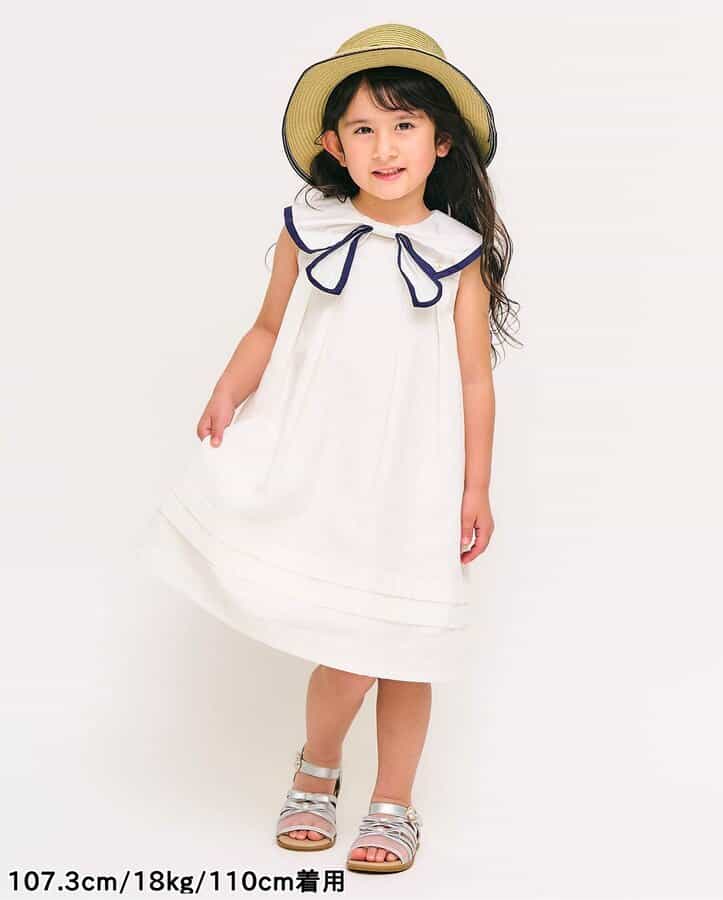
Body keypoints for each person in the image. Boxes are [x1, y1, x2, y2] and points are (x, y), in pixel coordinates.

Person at [138, 22, 519, 875]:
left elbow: (474, 382)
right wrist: (229, 390)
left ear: (441, 141)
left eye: (405, 125)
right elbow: (268, 327)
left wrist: (476, 486)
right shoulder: (307, 229)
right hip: (327, 466)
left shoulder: (456, 256)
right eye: (363, 128)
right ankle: (317, 767)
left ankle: (394, 804)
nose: (385, 147)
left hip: (415, 479)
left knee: (408, 646)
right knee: (347, 647)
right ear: (333, 145)